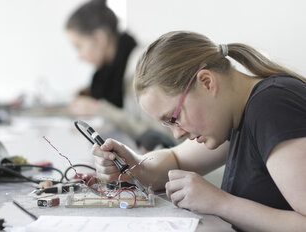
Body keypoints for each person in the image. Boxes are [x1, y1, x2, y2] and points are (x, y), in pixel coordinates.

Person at [91, 31, 306, 231]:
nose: (177, 134)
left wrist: (220, 203)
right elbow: (175, 158)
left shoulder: (272, 106)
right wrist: (134, 165)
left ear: (206, 83)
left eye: (174, 118)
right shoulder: (236, 116)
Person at [65, 0, 174, 151]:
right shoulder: (117, 70)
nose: (79, 56)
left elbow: (164, 135)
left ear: (100, 38)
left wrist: (100, 110)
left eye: (79, 46)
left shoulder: (142, 66)